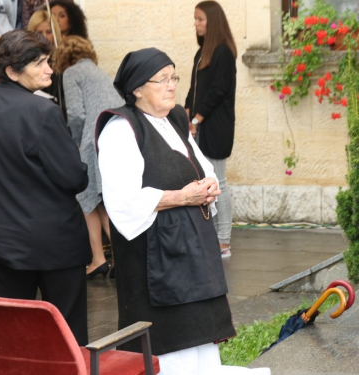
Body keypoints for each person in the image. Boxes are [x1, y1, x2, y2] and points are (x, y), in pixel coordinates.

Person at [96, 47, 269, 375]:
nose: (172, 85)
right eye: (162, 80)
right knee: (172, 346)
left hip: (191, 251)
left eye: (174, 77)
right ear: (137, 88)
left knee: (201, 341)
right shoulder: (121, 129)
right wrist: (182, 197)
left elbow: (201, 167)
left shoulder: (175, 118)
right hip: (156, 261)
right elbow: (123, 201)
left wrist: (209, 186)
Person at [0, 29, 91, 345]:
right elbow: (75, 178)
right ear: (12, 71)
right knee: (65, 342)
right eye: (40, 63)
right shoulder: (42, 111)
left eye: (48, 61)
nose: (49, 69)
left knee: (6, 342)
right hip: (52, 244)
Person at [52, 36, 123, 279]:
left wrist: (75, 144)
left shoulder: (72, 73)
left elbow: (76, 114)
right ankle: (115, 259)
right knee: (100, 201)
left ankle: (99, 258)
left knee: (86, 197)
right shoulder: (100, 72)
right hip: (113, 139)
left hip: (93, 141)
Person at [185, 1, 237, 258]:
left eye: (200, 19)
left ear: (212, 22)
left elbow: (218, 90)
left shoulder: (223, 53)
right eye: (195, 19)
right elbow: (196, 88)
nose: (195, 23)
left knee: (219, 182)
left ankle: (224, 241)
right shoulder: (202, 52)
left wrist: (196, 119)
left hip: (215, 128)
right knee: (207, 182)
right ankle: (213, 237)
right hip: (200, 126)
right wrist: (186, 111)